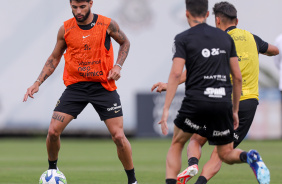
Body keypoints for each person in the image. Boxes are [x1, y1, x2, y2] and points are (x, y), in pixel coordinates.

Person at [153, 2, 278, 184]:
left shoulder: (219, 40)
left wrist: (168, 85)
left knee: (194, 140)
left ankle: (193, 164)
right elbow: (274, 51)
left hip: (222, 100)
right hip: (249, 103)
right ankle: (247, 158)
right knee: (222, 153)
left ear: (217, 20)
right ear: (237, 20)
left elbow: (194, 70)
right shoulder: (252, 38)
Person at [23, 0, 137, 183]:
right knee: (53, 132)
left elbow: (125, 43)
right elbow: (54, 57)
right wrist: (37, 82)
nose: (78, 11)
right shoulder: (65, 29)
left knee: (118, 136)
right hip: (76, 87)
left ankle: (132, 180)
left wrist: (118, 66)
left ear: (91, 3)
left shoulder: (107, 24)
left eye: (82, 7)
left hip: (103, 86)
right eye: (74, 7)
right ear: (70, 4)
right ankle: (53, 171)